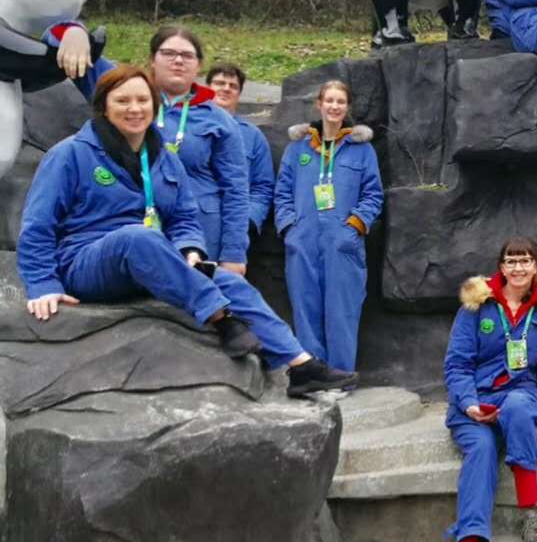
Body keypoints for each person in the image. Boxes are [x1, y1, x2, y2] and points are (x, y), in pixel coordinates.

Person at [17, 64, 354, 397]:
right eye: (122, 101)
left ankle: (300, 366)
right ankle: (221, 317)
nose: (134, 109)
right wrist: (43, 285)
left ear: (154, 105)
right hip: (86, 262)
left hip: (151, 261)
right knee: (139, 236)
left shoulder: (164, 157)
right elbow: (37, 225)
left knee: (226, 278)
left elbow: (183, 219)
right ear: (103, 107)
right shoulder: (71, 153)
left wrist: (191, 251)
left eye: (143, 100)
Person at [61, 24, 251, 274]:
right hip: (128, 226)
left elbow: (236, 190)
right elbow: (53, 34)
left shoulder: (220, 121)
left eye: (187, 56)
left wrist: (234, 254)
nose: (178, 61)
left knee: (194, 306)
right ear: (152, 59)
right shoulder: (126, 93)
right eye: (168, 53)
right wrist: (73, 32)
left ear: (199, 65)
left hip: (198, 234)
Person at [440, 237, 537, 542]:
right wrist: (468, 404)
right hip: (475, 401)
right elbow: (457, 364)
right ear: (501, 266)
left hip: (519, 391)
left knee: (519, 408)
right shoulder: (476, 304)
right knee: (480, 451)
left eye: (525, 260)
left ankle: (530, 514)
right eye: (511, 261)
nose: (518, 267)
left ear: (536, 266)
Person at [274, 79, 384, 375]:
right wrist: (289, 230)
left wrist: (353, 228)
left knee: (342, 311)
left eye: (340, 102)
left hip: (343, 243)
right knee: (305, 309)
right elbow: (282, 192)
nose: (334, 106)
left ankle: (341, 375)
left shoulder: (361, 150)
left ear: (347, 107)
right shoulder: (298, 148)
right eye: (329, 101)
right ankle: (315, 376)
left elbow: (373, 195)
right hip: (304, 239)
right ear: (319, 105)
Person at [207, 62, 274, 239]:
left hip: (234, 228)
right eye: (219, 83)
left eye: (233, 86)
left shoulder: (253, 136)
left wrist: (249, 220)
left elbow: (263, 186)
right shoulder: (188, 129)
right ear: (207, 88)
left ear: (239, 94)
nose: (226, 89)